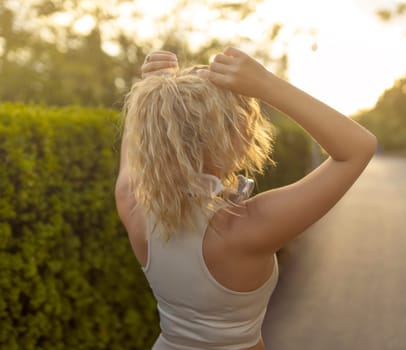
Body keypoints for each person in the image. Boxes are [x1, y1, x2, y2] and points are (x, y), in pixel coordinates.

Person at [115, 47, 377, 350]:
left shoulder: (133, 206)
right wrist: (266, 84)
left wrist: (149, 95)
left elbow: (137, 146)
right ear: (229, 139)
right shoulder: (247, 227)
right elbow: (358, 147)